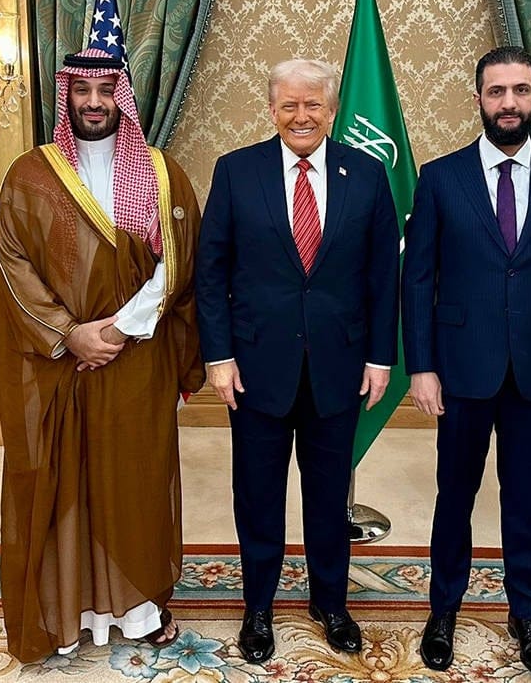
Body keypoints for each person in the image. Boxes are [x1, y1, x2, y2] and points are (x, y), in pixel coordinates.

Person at [0, 48, 204, 663]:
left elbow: (180, 262)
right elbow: (11, 262)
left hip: (137, 360)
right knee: (63, 480)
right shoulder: (30, 174)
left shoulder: (162, 173)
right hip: (57, 361)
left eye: (105, 90)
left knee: (135, 480)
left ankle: (138, 610)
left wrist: (115, 331)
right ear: (67, 96)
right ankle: (68, 611)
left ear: (122, 98)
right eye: (81, 90)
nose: (93, 102)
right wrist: (69, 333)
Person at [402, 46, 531, 675]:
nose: (508, 103)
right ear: (479, 100)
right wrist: (421, 366)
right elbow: (418, 279)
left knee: (524, 499)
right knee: (454, 497)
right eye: (496, 92)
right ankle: (443, 611)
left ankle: (526, 614)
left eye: (519, 90)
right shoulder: (440, 177)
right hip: (461, 368)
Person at [195, 59, 399, 663]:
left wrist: (380, 357)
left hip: (339, 366)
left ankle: (330, 603)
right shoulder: (236, 171)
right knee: (258, 494)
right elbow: (211, 273)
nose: (301, 116)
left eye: (313, 105)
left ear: (331, 110)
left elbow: (383, 275)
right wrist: (218, 356)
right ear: (272, 110)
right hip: (255, 367)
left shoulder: (367, 173)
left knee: (329, 494)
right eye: (289, 105)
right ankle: (258, 606)